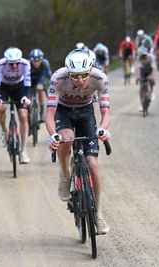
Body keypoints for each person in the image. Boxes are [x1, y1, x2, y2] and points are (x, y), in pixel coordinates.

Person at [46, 49, 111, 234]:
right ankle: (65, 174)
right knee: (66, 138)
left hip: (85, 113)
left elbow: (106, 111)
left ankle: (98, 214)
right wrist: (52, 134)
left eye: (84, 75)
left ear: (90, 69)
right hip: (63, 112)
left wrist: (103, 129)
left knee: (92, 164)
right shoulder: (58, 78)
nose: (80, 80)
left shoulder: (99, 78)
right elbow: (50, 113)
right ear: (68, 73)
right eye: (75, 76)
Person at [0, 47, 32, 164]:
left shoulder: (26, 64)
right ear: (6, 61)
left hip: (19, 88)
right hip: (4, 87)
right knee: (2, 107)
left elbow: (28, 84)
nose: (14, 66)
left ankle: (23, 151)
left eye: (17, 63)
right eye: (11, 64)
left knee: (23, 115)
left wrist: (26, 97)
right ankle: (4, 131)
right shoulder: (0, 64)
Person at [29, 48, 52, 122]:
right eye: (34, 61)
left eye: (38, 60)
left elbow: (49, 75)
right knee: (27, 95)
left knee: (40, 90)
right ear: (31, 60)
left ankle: (41, 113)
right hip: (30, 79)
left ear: (41, 59)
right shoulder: (27, 63)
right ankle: (28, 111)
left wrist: (52, 84)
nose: (36, 63)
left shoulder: (45, 63)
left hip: (41, 79)